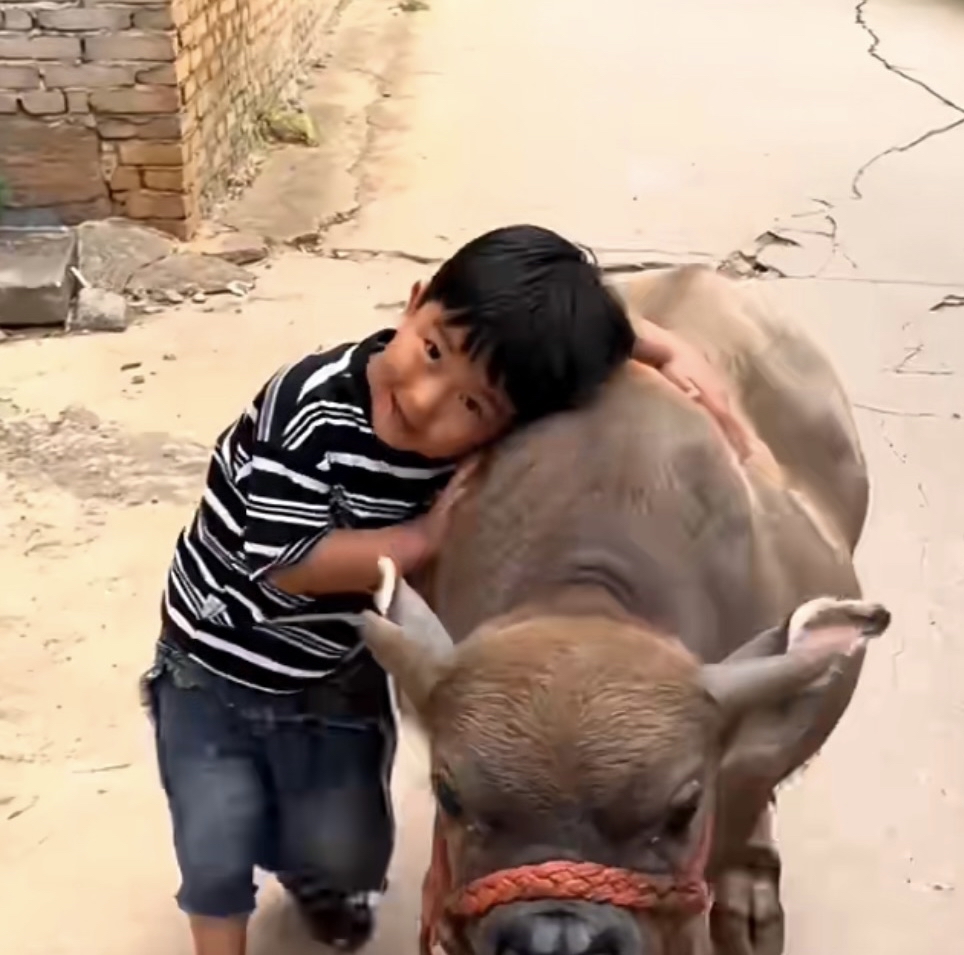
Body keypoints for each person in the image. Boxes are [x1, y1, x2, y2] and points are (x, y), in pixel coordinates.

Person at [142, 224, 737, 955]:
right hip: (216, 665)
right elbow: (287, 562)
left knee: (347, 847)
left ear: (510, 416)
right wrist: (422, 541)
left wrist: (664, 348)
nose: (426, 400)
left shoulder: (475, 415)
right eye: (430, 352)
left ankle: (312, 868)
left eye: (474, 405)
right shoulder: (307, 411)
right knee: (216, 840)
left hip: (340, 670)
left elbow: (559, 333)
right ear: (415, 301)